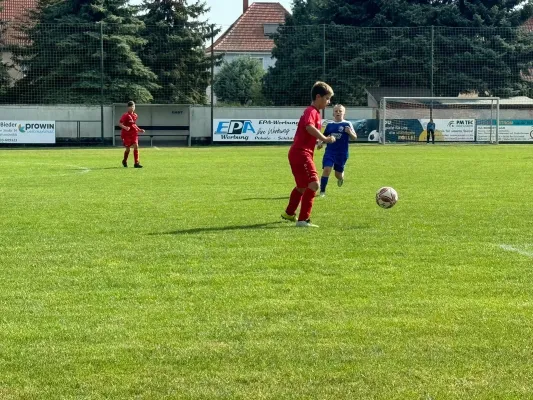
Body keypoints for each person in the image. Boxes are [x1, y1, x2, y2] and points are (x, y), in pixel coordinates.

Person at [281, 81, 336, 228]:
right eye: (327, 98)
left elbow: (308, 132)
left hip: (298, 152)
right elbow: (309, 126)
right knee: (314, 184)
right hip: (301, 153)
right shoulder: (311, 111)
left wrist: (318, 142)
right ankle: (303, 220)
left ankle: (289, 213)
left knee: (302, 186)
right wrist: (324, 138)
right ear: (318, 97)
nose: (329, 102)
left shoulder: (315, 113)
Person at [317, 104, 357, 197]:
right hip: (330, 152)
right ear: (333, 113)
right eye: (336, 111)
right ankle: (322, 192)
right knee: (327, 170)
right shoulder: (329, 125)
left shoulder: (347, 124)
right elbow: (323, 136)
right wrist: (320, 142)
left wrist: (349, 132)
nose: (338, 112)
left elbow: (354, 137)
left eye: (340, 111)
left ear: (344, 113)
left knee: (337, 174)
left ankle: (341, 178)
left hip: (342, 153)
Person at [118, 101, 145, 168]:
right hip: (126, 134)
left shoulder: (135, 115)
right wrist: (125, 127)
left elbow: (133, 124)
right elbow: (120, 124)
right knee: (128, 149)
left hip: (133, 134)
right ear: (128, 107)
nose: (132, 108)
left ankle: (136, 163)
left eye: (133, 106)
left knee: (136, 146)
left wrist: (139, 130)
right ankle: (124, 161)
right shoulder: (125, 115)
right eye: (131, 106)